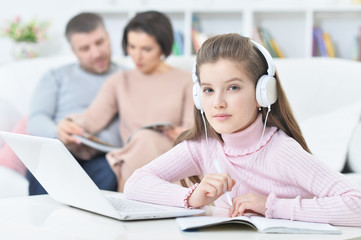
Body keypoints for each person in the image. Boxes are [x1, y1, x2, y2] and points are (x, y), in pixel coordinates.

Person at [123, 33, 361, 226]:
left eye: (233, 87)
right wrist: (192, 197)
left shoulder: (282, 151)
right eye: (208, 90)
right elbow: (136, 183)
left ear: (263, 94)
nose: (218, 102)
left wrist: (271, 206)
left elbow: (356, 204)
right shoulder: (202, 146)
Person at [57, 11, 194, 192]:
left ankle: (137, 199)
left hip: (170, 157)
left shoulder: (186, 81)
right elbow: (92, 118)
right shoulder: (119, 81)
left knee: (145, 139)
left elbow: (193, 133)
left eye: (146, 49)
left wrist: (182, 133)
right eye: (131, 47)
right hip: (133, 159)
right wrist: (68, 124)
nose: (137, 56)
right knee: (141, 140)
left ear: (163, 47)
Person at [26, 12, 123, 195]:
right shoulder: (56, 76)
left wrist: (96, 140)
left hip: (103, 158)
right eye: (85, 48)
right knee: (42, 167)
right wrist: (58, 131)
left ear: (108, 37)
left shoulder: (127, 78)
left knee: (112, 171)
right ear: (74, 51)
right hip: (60, 153)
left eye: (99, 42)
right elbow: (36, 119)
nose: (96, 53)